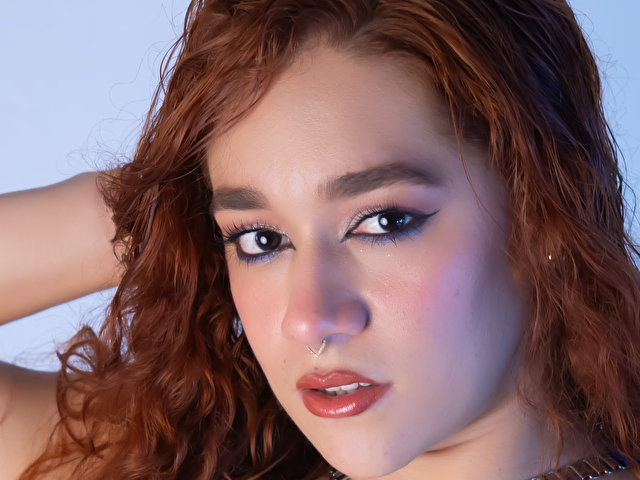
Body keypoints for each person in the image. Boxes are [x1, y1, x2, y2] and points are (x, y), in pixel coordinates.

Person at [1, 0, 639, 479]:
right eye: (260, 239)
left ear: (540, 213)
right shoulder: (190, 462)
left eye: (383, 222)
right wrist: (156, 211)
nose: (310, 319)